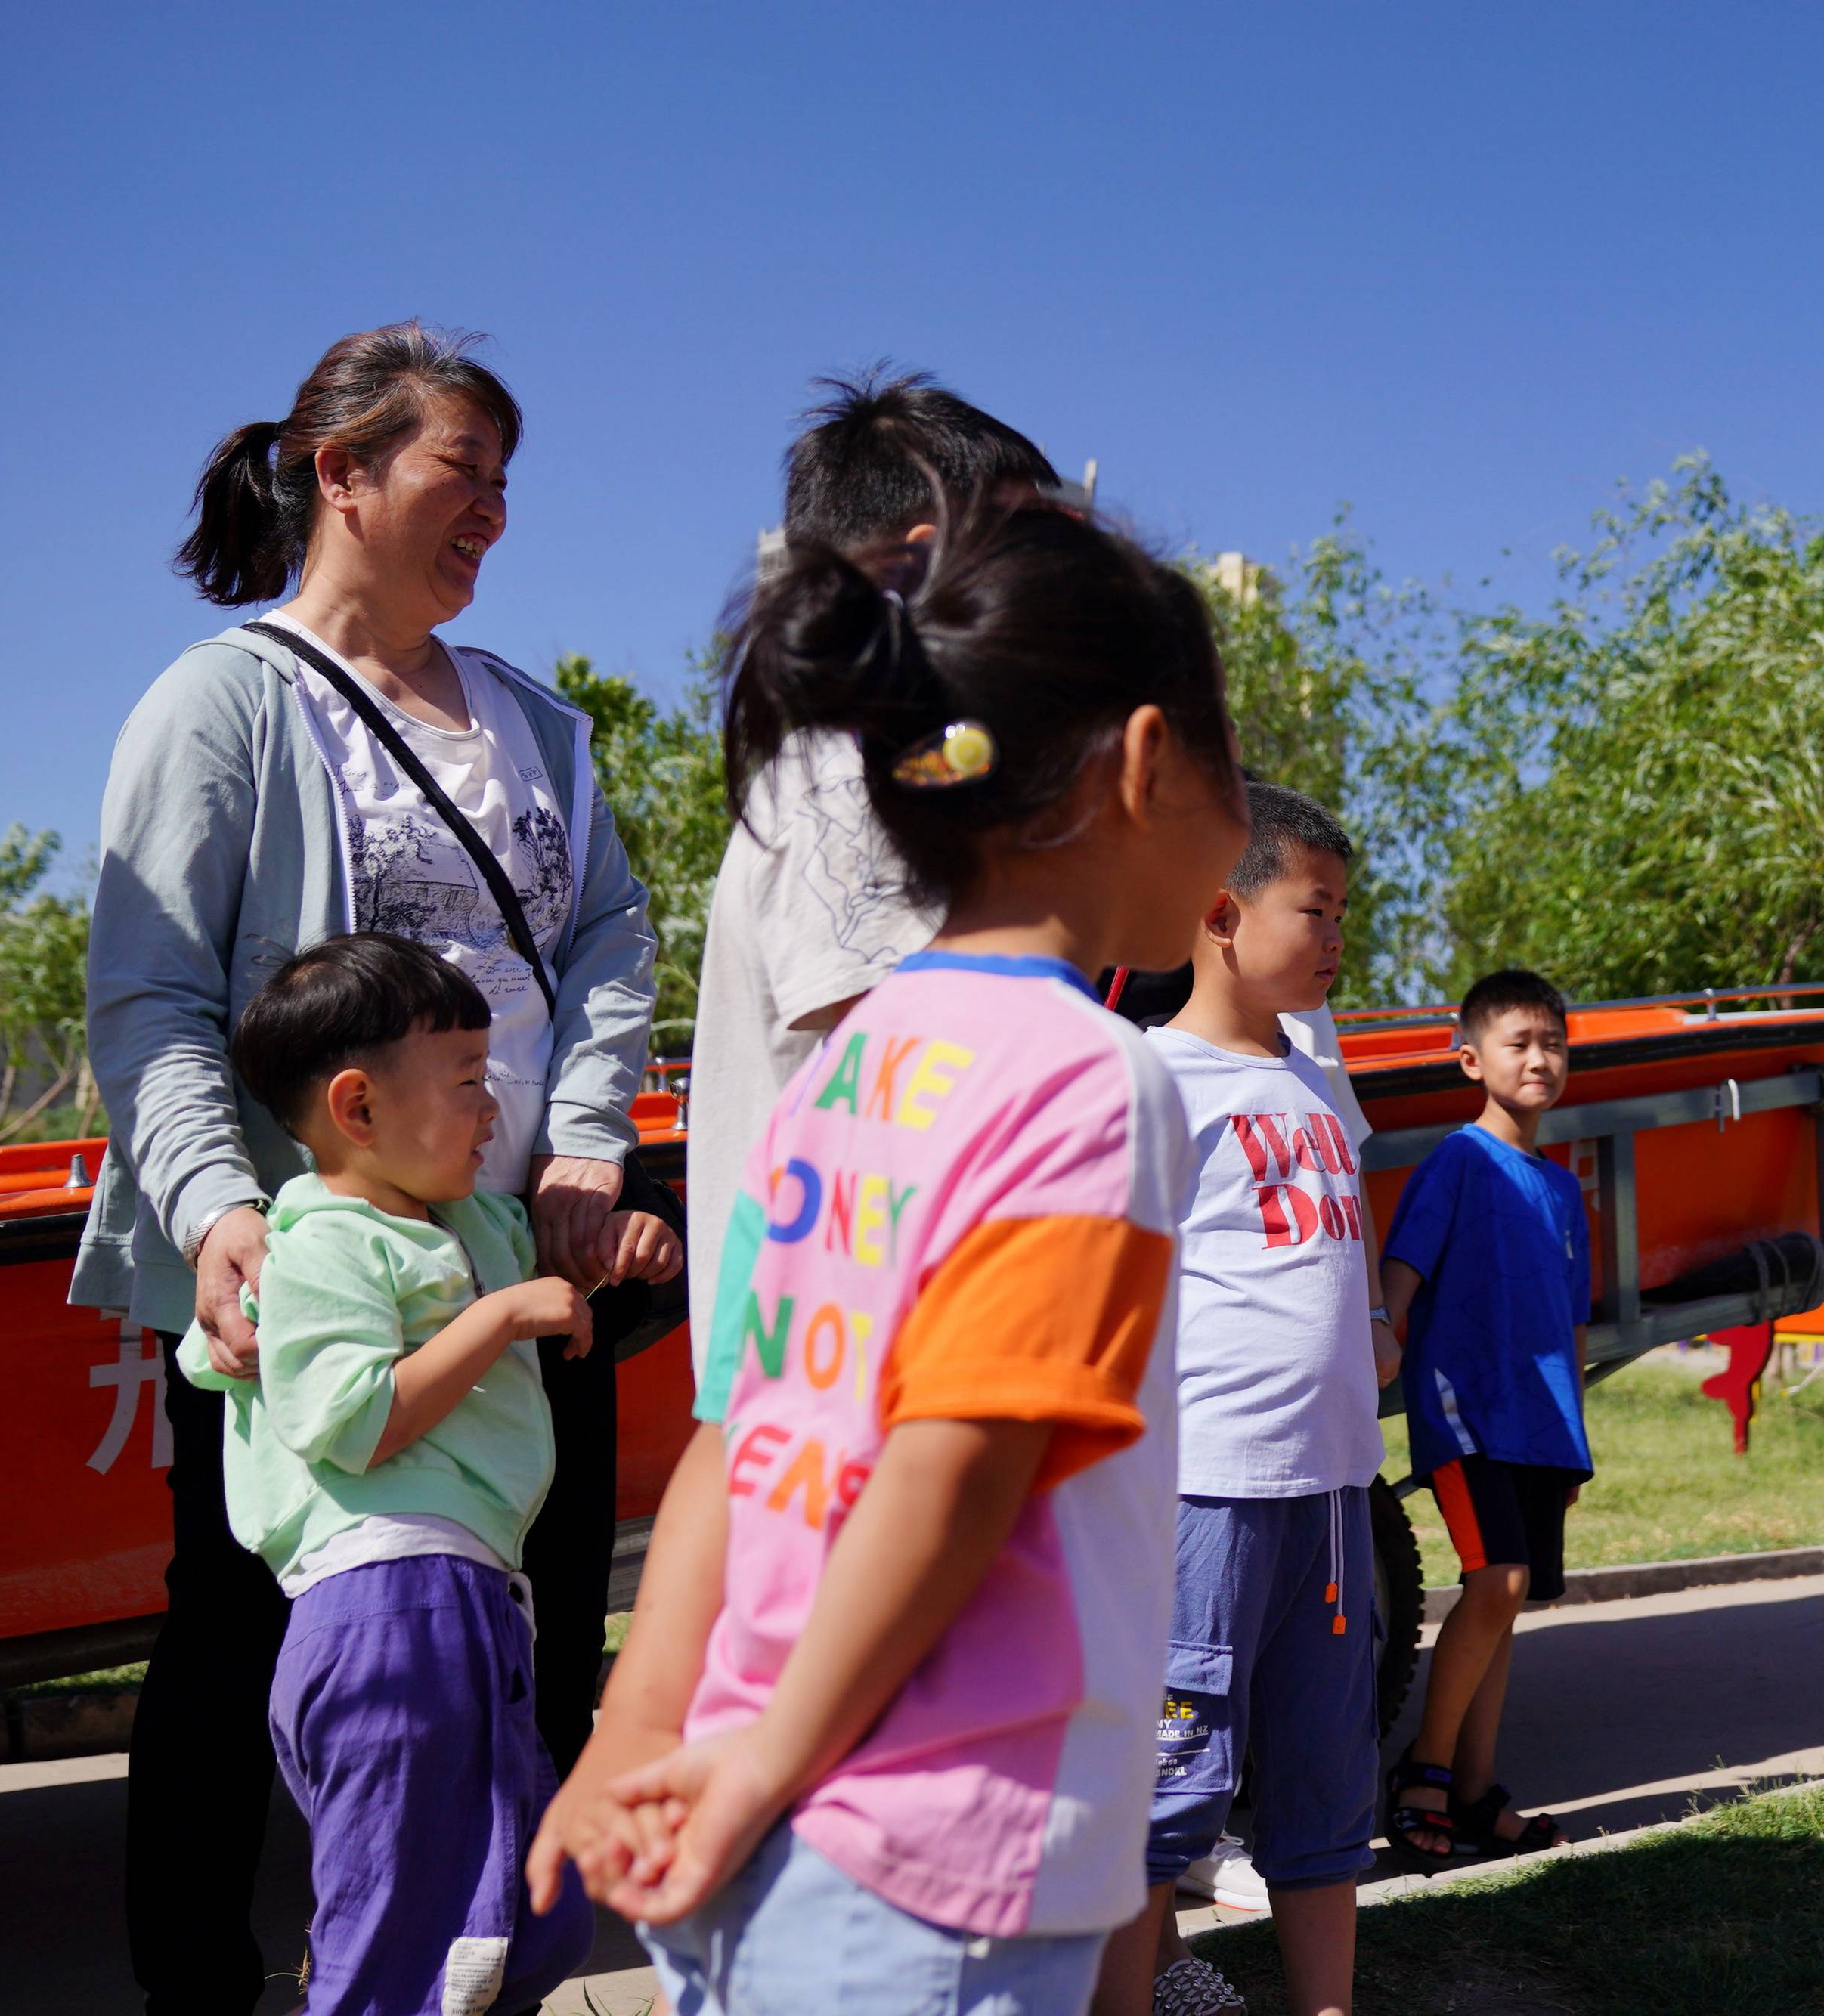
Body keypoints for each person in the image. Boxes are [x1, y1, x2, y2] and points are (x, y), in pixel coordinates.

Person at [525, 498, 1250, 2016]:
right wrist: (764, 1761)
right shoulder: (1090, 1078)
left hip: (757, 1796)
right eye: (1226, 757)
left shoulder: (848, 1070)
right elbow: (962, 1456)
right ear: (1141, 762)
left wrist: (641, 1728)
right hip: (941, 1845)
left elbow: (739, 1432)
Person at [82, 323, 658, 2016]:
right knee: (246, 1634)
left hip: (519, 1248)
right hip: (310, 1264)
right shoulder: (222, 701)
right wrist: (222, 1207)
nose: (490, 513)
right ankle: (201, 1985)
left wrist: (583, 1143)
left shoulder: (539, 730)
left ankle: (489, 1975)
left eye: (504, 484)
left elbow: (613, 938)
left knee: (532, 1624)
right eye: (454, 472)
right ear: (338, 471)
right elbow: (151, 992)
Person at [184, 935, 673, 2014]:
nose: (495, 1108)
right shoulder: (315, 1247)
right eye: (467, 1082)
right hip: (387, 1603)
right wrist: (502, 1313)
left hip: (470, 1598)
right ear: (357, 1109)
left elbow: (555, 1276)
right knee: (403, 1922)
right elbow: (352, 1419)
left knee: (519, 1911)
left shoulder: (474, 1223)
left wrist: (618, 1244)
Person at [685, 370, 1065, 1384]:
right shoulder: (846, 775)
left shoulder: (900, 767)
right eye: (1024, 549)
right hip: (849, 1364)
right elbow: (917, 1069)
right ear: (919, 559)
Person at [1093, 784, 1390, 2016]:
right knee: (1166, 1788)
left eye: (1343, 912)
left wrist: (1373, 1316)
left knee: (1325, 1788)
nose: (1336, 937)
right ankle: (1142, 1983)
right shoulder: (1152, 1079)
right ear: (1221, 910)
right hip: (1204, 1492)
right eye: (1313, 909)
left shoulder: (1318, 1078)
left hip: (1332, 1495)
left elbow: (1350, 1221)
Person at [1376, 968, 1593, 1868]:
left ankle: (1474, 1794)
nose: (1539, 1057)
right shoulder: (1457, 1162)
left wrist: (1575, 1441)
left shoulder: (1561, 1187)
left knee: (1510, 1603)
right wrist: (1381, 1333)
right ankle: (1423, 1776)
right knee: (1495, 1584)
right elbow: (1401, 1274)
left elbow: (1569, 1324)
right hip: (1466, 1410)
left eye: (1553, 1043)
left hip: (1542, 1429)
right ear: (1470, 1060)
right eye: (1519, 1042)